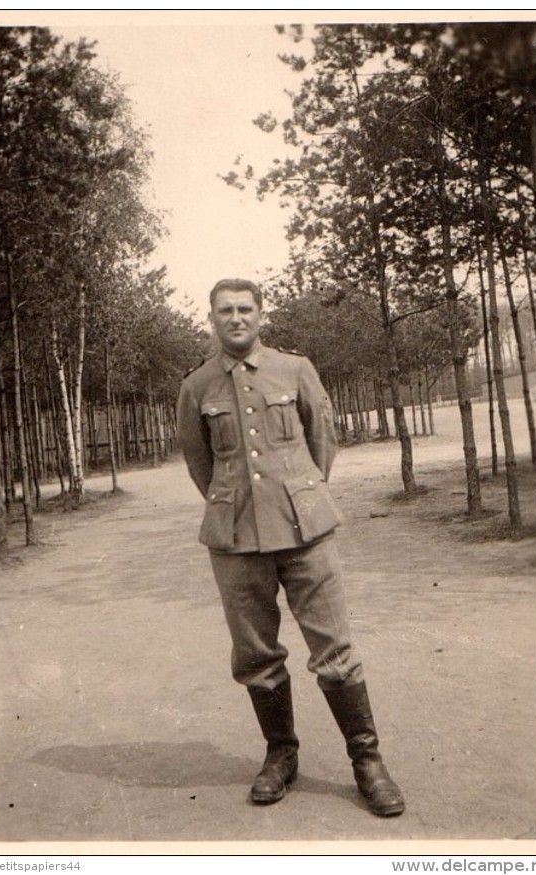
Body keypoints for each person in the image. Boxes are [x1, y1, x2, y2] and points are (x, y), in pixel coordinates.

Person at [176, 278, 405, 817]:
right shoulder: (197, 386)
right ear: (211, 318)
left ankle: (367, 762)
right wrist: (233, 503)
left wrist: (301, 494)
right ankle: (281, 755)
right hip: (235, 540)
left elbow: (321, 441)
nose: (236, 318)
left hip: (306, 532)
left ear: (261, 316)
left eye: (245, 309)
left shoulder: (295, 369)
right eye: (225, 311)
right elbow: (199, 461)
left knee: (334, 650)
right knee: (255, 655)